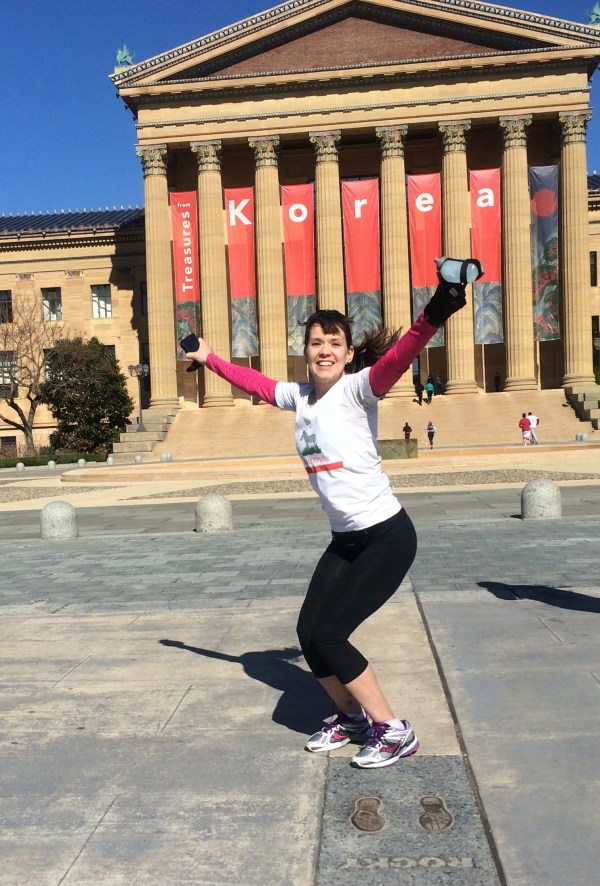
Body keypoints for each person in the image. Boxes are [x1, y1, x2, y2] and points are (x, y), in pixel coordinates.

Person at [184, 261, 469, 770]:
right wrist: (207, 357)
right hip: (346, 540)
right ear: (307, 350)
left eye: (334, 343)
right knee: (309, 632)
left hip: (386, 536)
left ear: (349, 352)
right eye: (316, 342)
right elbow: (252, 380)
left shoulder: (360, 390)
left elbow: (403, 354)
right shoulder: (299, 397)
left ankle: (393, 729)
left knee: (333, 634)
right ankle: (351, 717)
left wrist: (439, 308)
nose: (324, 350)